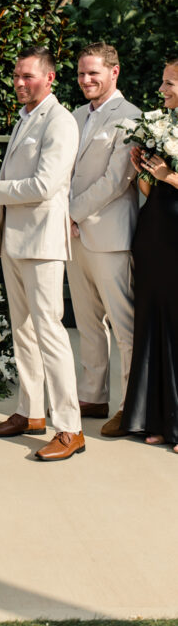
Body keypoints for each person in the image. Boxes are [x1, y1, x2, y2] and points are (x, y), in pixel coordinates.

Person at [0, 46, 84, 461]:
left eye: (28, 76)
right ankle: (29, 413)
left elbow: (46, 185)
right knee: (23, 331)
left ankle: (70, 427)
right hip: (14, 238)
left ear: (50, 78)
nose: (19, 82)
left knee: (49, 331)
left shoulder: (61, 122)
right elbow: (20, 182)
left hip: (43, 243)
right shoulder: (26, 118)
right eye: (16, 75)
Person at [67, 42, 140, 437]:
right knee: (87, 323)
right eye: (81, 73)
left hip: (110, 235)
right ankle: (93, 395)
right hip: (73, 234)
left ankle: (131, 407)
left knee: (123, 324)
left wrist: (71, 213)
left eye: (93, 73)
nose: (85, 80)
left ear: (114, 72)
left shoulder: (131, 117)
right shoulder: (75, 115)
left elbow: (116, 181)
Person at [120, 58, 178, 453]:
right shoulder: (163, 127)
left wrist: (168, 176)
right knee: (152, 324)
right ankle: (153, 419)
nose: (162, 90)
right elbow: (149, 192)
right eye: (162, 82)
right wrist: (142, 171)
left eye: (169, 83)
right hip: (154, 231)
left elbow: (168, 182)